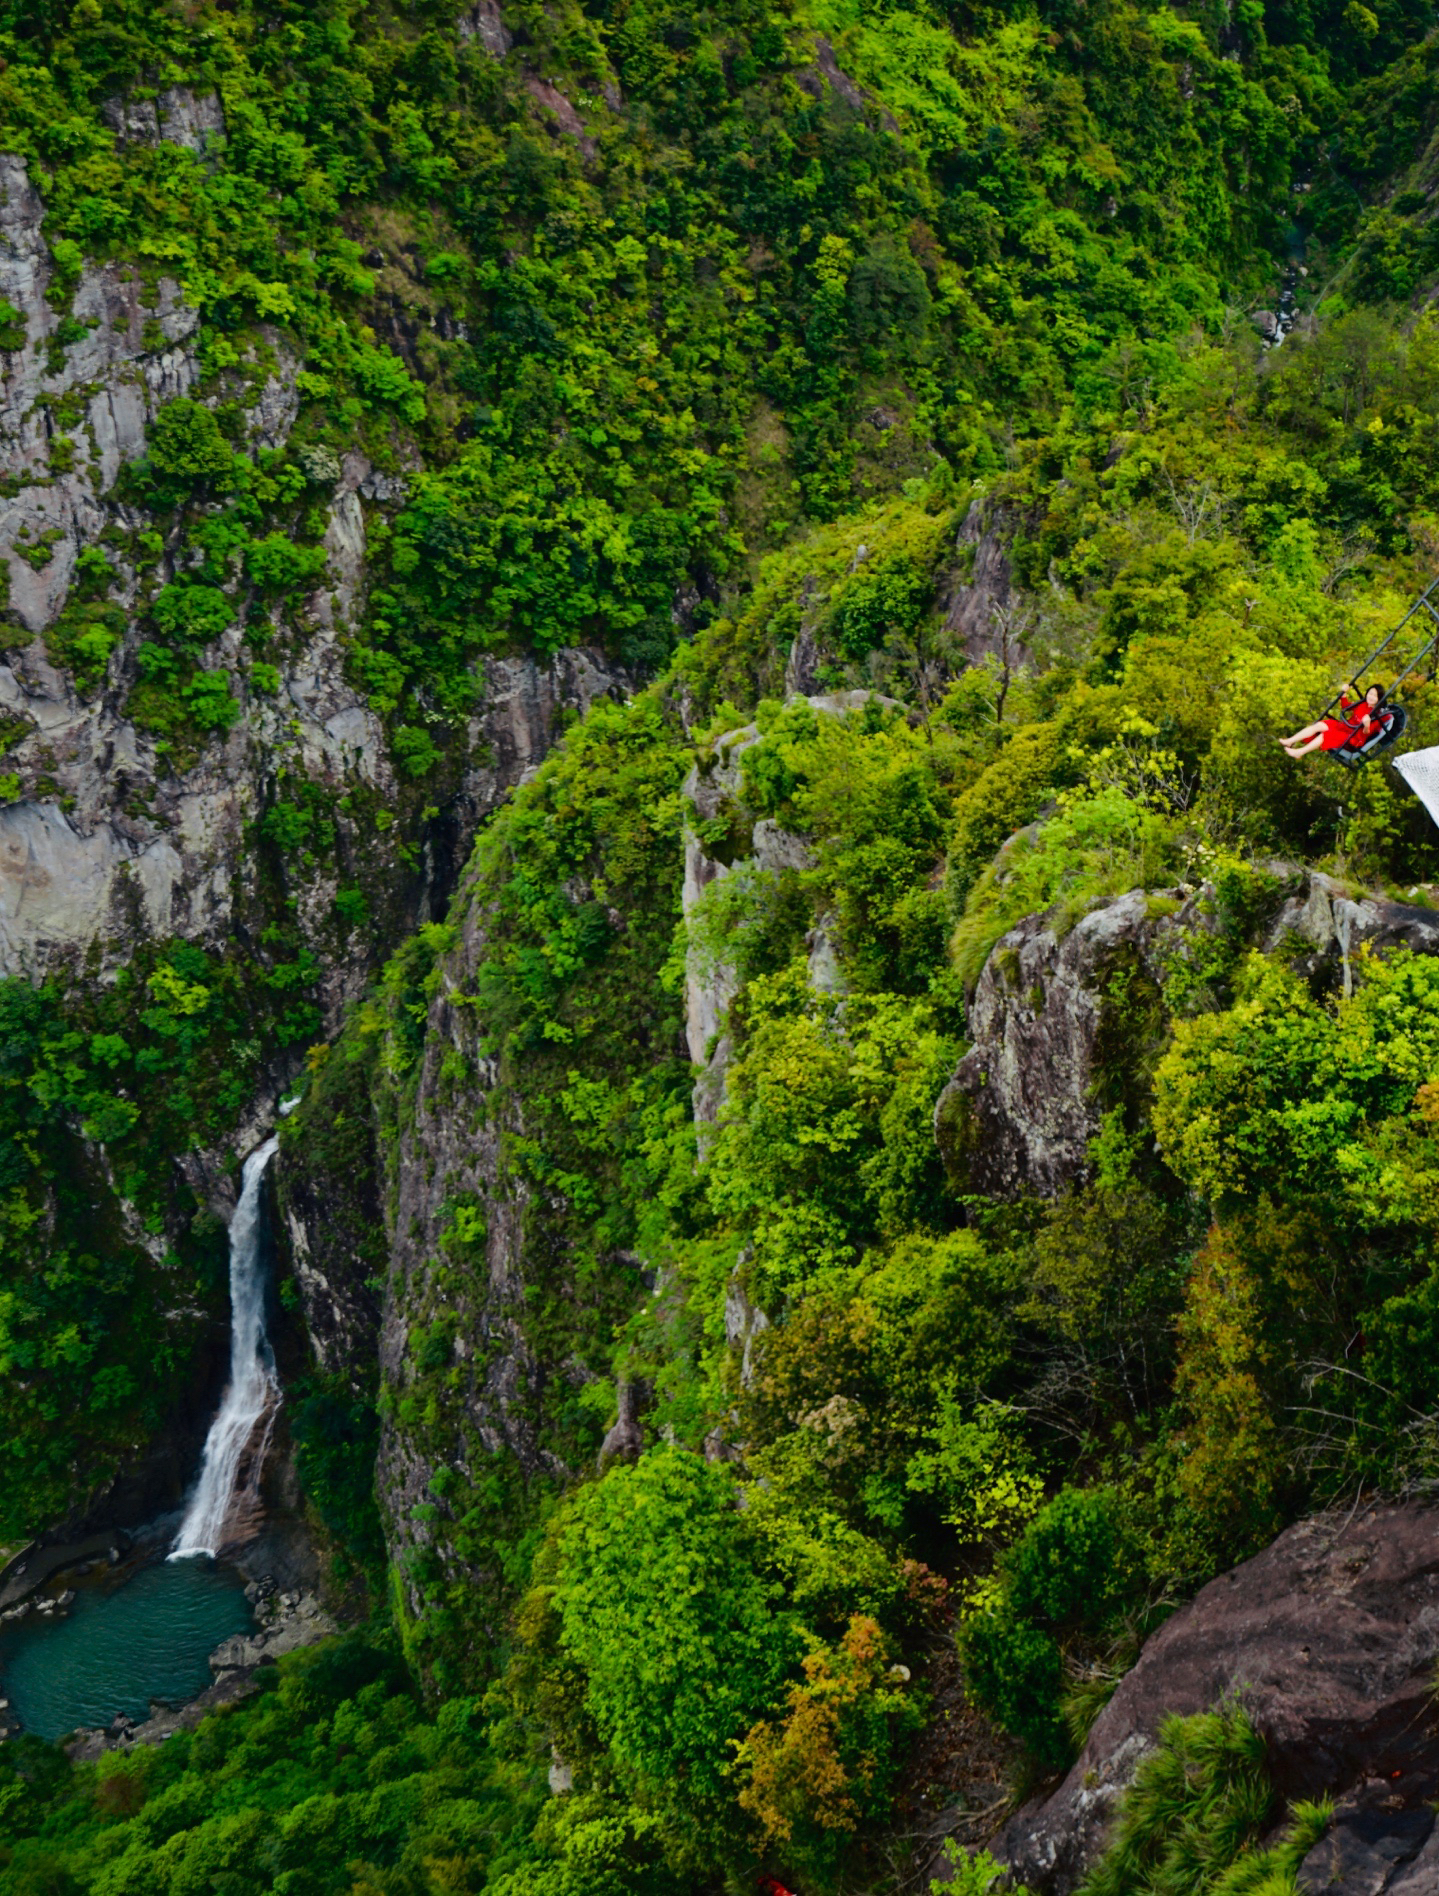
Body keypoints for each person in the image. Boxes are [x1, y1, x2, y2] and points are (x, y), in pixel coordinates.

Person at [1279, 682, 1388, 759]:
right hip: (1346, 728)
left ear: (1379, 699)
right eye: (1370, 693)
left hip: (1353, 738)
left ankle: (1300, 752)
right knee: (1320, 725)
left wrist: (1367, 724)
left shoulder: (1377, 715)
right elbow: (1346, 707)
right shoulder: (1363, 704)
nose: (1371, 697)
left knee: (1327, 734)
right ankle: (1290, 741)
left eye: (1375, 695)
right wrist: (1344, 694)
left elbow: (1365, 734)